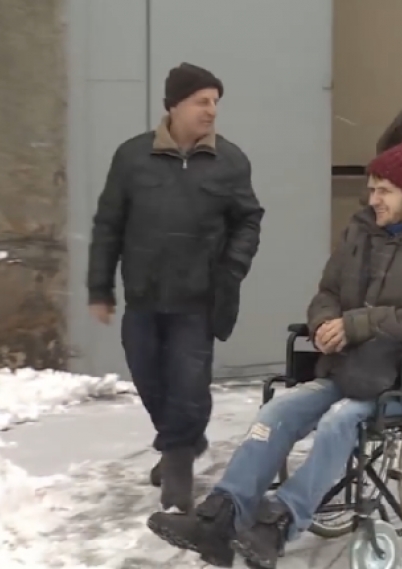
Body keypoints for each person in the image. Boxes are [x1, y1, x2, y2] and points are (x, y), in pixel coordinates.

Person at [145, 133, 402, 569]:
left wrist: (359, 323)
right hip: (350, 368)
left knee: (340, 423)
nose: (372, 198)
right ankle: (221, 519)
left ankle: (279, 523)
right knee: (275, 415)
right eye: (371, 188)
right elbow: (328, 293)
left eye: (384, 190)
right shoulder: (361, 230)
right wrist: (324, 324)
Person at [86, 62, 265, 513]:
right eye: (202, 102)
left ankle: (179, 463)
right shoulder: (131, 157)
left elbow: (248, 218)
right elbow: (109, 224)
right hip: (144, 294)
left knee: (188, 383)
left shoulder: (230, 161)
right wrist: (100, 287)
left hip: (199, 296)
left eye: (215, 103)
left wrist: (232, 268)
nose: (211, 111)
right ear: (174, 105)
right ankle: (178, 443)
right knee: (150, 378)